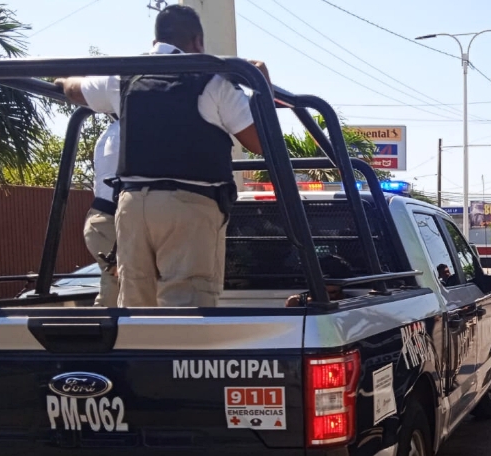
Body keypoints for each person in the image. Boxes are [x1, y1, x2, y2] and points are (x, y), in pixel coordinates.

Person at [56, 5, 270, 308]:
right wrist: (261, 85)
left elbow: (73, 90)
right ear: (197, 41)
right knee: (185, 309)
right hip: (190, 205)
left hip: (131, 208)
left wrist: (62, 83)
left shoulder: (124, 75)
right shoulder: (213, 81)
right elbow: (261, 142)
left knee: (134, 305)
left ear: (156, 39)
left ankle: (139, 356)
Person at [81, 119, 120, 307]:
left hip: (103, 217)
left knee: (120, 281)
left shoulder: (114, 131)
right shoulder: (127, 131)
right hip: (110, 220)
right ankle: (105, 333)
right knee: (122, 282)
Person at [284, 254, 352, 307]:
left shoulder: (351, 302)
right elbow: (292, 303)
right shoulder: (301, 300)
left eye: (332, 292)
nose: (327, 296)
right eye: (322, 291)